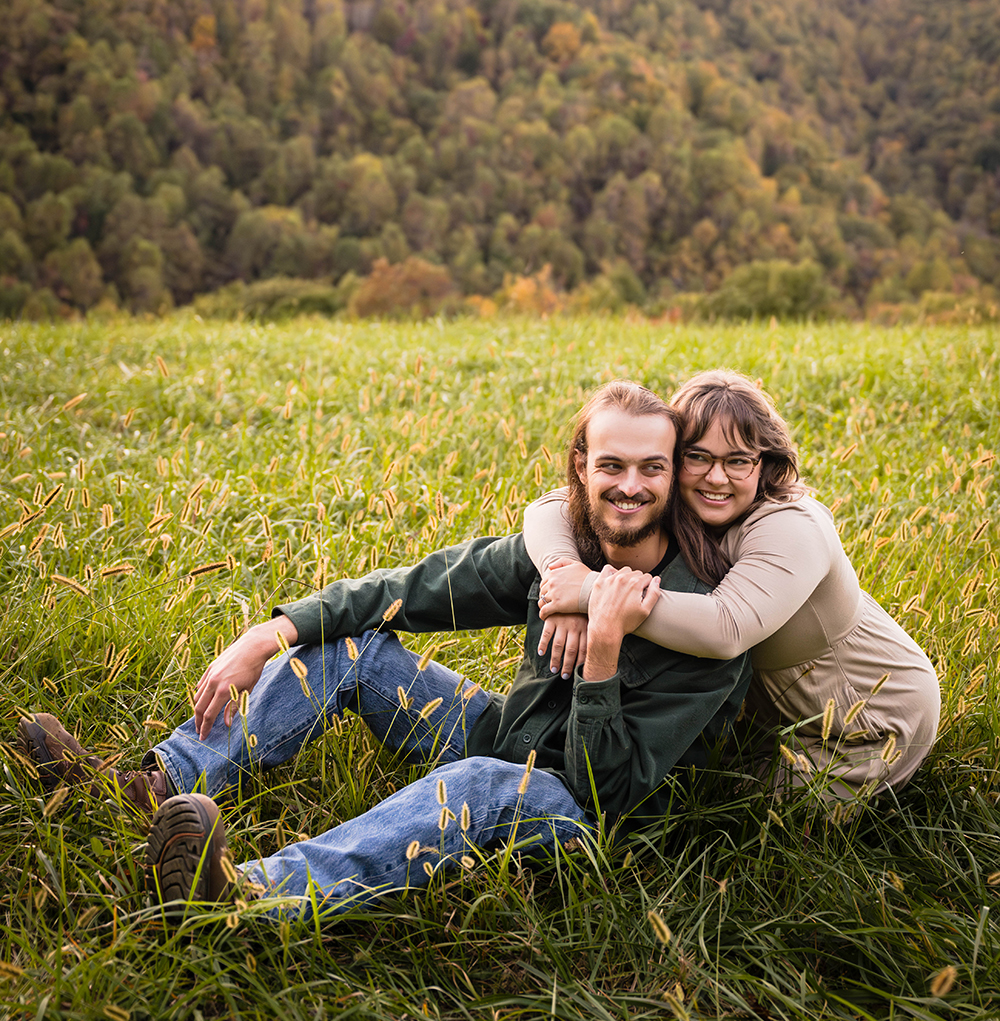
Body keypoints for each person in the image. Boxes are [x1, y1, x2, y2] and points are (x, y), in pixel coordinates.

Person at [19, 381, 751, 919]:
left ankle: (244, 896)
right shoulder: (562, 557)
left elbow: (610, 792)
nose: (630, 486)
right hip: (511, 737)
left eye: (652, 469)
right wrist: (270, 633)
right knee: (356, 647)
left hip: (585, 816)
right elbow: (408, 589)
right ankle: (151, 783)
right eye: (612, 466)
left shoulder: (709, 618)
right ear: (580, 469)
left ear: (675, 475)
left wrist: (603, 651)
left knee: (481, 782)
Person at [523, 370, 941, 805]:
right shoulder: (678, 500)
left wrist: (591, 592)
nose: (716, 478)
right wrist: (562, 571)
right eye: (697, 457)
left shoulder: (792, 524)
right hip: (769, 721)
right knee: (683, 788)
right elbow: (551, 506)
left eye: (737, 461)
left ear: (765, 464)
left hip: (866, 723)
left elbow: (727, 628)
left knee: (725, 816)